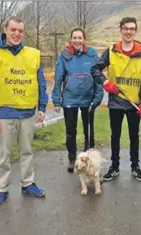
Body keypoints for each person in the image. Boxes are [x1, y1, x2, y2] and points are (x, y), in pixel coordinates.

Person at [0, 16, 48, 206]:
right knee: (3, 154)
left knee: (27, 151)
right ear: (5, 30)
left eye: (20, 31)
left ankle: (28, 183)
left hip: (27, 113)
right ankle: (1, 189)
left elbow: (41, 83)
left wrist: (42, 106)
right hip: (3, 113)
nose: (17, 34)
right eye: (13, 30)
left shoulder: (32, 55)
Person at [91, 17, 141, 182]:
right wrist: (105, 82)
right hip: (116, 101)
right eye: (126, 28)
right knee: (115, 135)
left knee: (134, 135)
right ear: (121, 30)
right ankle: (115, 167)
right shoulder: (111, 51)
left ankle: (135, 166)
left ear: (135, 31)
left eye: (132, 29)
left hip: (133, 102)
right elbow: (95, 69)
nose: (129, 32)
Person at [52, 28, 103, 173]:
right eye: (74, 37)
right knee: (70, 131)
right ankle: (72, 159)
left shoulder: (92, 54)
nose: (77, 40)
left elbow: (98, 77)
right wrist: (56, 100)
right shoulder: (64, 56)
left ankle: (90, 159)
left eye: (80, 38)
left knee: (89, 132)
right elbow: (58, 79)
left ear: (84, 39)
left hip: (88, 99)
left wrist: (98, 97)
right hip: (70, 99)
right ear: (71, 39)